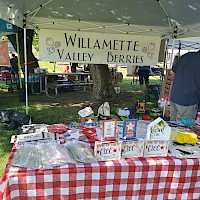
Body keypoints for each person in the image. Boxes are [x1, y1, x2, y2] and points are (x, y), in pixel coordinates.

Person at [170, 50, 200, 122]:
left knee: (172, 125)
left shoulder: (186, 55)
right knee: (184, 130)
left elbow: (172, 72)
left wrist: (180, 83)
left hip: (175, 96)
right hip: (188, 100)